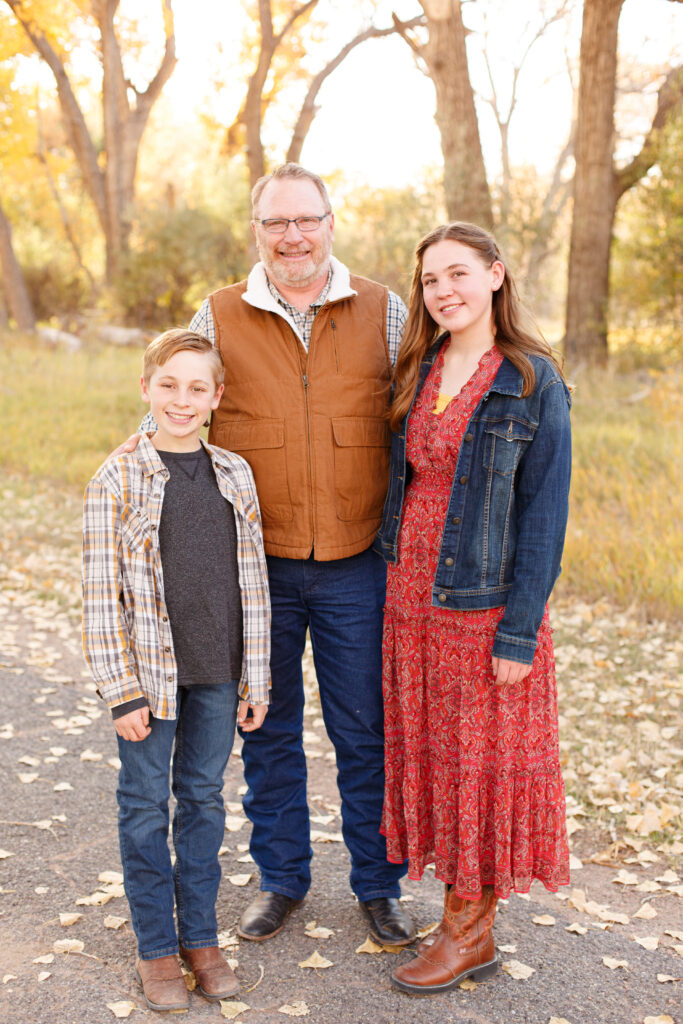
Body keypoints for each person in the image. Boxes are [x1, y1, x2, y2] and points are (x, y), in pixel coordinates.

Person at [129, 164, 415, 946]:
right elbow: (172, 407)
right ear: (254, 231)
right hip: (254, 572)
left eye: (305, 220)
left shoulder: (385, 309)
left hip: (359, 563)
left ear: (330, 222)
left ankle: (377, 885)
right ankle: (283, 878)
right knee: (269, 727)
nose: (292, 236)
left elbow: (427, 410)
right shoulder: (218, 314)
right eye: (275, 223)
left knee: (365, 732)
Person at [374, 222, 572, 995]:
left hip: (481, 608)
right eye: (430, 280)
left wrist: (518, 631)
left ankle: (469, 936)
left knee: (479, 772)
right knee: (437, 763)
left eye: (457, 273)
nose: (443, 290)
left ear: (495, 275)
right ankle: (461, 922)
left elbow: (544, 515)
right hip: (407, 602)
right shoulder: (419, 365)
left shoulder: (530, 379)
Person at [82, 330, 271, 1012]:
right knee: (142, 808)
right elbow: (101, 594)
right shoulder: (118, 477)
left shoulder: (234, 474)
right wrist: (120, 690)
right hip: (149, 683)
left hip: (219, 673)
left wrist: (258, 677)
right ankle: (156, 946)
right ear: (145, 390)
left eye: (197, 388)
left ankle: (200, 938)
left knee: (201, 803)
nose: (181, 400)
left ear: (217, 398)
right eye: (168, 385)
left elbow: (253, 585)